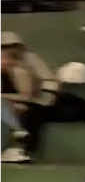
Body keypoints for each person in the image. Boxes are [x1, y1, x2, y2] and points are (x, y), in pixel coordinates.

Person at [1, 31, 57, 162]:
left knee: (26, 114)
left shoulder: (28, 61)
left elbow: (46, 83)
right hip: (10, 101)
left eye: (11, 46)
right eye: (4, 47)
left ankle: (19, 149)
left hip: (34, 99)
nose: (8, 50)